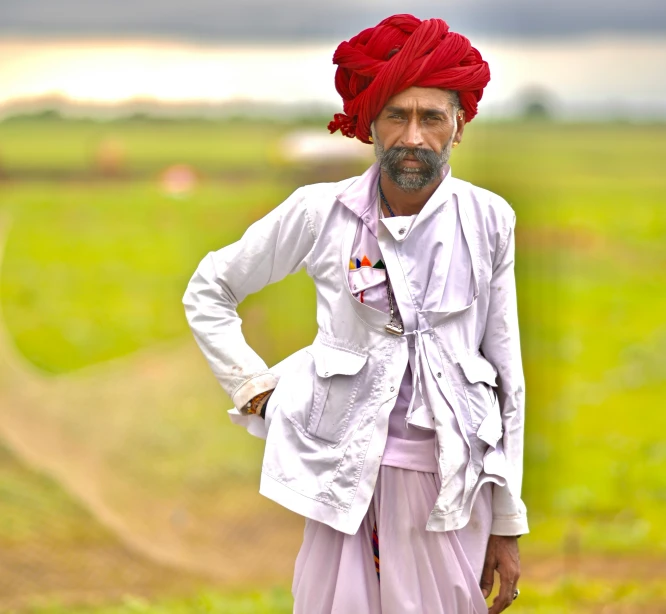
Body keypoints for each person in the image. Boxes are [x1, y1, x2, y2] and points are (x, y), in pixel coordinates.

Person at [183, 13, 527, 614]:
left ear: (459, 126)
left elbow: (506, 374)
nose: (414, 136)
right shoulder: (320, 211)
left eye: (432, 117)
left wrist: (508, 519)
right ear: (371, 122)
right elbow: (210, 288)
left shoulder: (490, 220)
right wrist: (254, 388)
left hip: (450, 484)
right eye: (397, 115)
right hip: (343, 479)